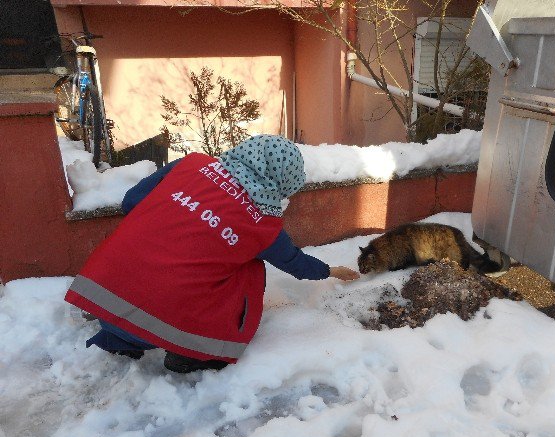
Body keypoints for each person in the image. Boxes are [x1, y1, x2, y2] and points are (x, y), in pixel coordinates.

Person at [65, 135, 359, 373]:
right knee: (249, 267)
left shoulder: (191, 165)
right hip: (160, 319)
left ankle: (120, 333)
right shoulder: (261, 224)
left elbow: (132, 202)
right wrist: (330, 271)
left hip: (105, 294)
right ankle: (195, 354)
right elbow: (295, 262)